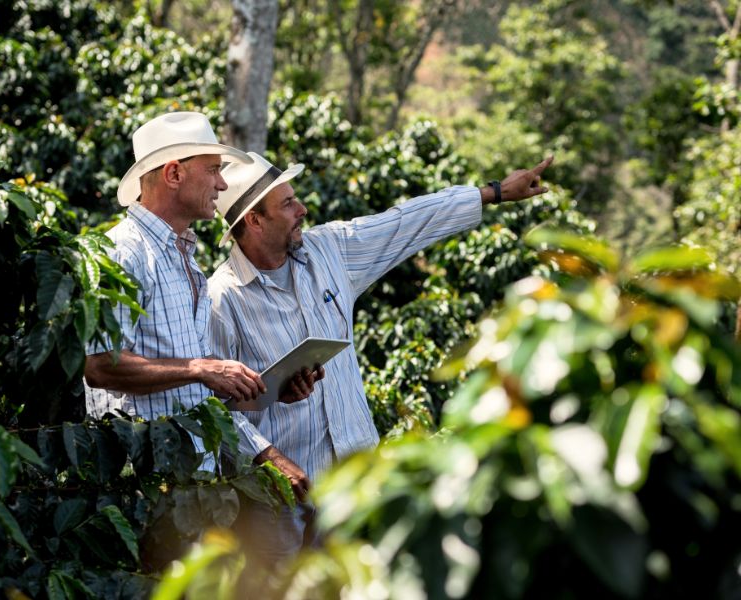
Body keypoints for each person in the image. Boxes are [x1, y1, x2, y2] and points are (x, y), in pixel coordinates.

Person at [207, 150, 554, 561]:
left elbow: (405, 222)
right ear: (254, 220)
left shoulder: (330, 252)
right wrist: (269, 456)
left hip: (356, 486)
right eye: (287, 203)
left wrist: (493, 193)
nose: (302, 209)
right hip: (276, 501)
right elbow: (210, 409)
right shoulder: (222, 300)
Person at [82, 111, 272, 465]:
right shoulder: (124, 251)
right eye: (213, 170)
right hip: (142, 480)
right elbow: (100, 365)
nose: (222, 184)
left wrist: (261, 388)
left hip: (189, 477)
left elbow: (191, 373)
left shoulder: (183, 257)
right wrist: (199, 369)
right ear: (173, 174)